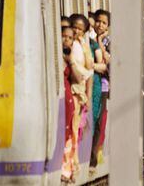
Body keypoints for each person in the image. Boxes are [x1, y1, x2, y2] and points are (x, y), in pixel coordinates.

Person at [89, 9, 111, 171]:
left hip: (103, 86)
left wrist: (101, 41)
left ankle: (95, 154)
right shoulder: (89, 39)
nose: (100, 25)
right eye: (98, 21)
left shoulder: (109, 41)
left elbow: (108, 63)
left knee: (98, 121)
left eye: (104, 23)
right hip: (92, 83)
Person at [61, 26, 79, 183]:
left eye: (69, 37)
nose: (65, 40)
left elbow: (78, 78)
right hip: (60, 95)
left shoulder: (70, 57)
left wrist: (71, 60)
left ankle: (67, 168)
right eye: (63, 36)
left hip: (68, 98)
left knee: (69, 132)